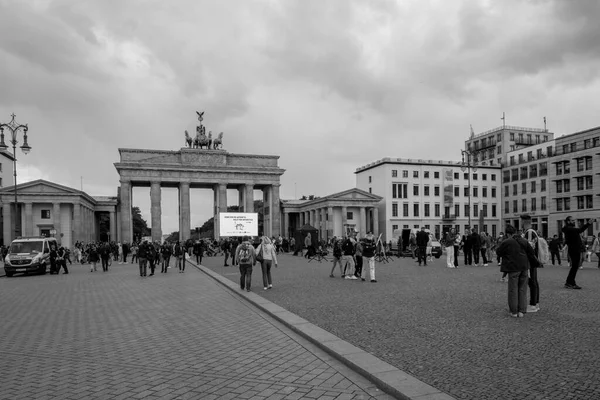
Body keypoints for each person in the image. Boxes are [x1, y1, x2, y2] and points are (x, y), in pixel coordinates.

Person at [495, 224, 529, 318]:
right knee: (522, 289)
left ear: (508, 234)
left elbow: (499, 252)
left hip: (513, 267)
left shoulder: (507, 241)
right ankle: (522, 311)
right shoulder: (524, 240)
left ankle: (514, 311)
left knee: (513, 289)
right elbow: (531, 252)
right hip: (524, 266)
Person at [562, 217, 594, 289]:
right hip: (574, 249)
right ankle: (571, 283)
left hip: (574, 249)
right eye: (572, 220)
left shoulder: (568, 229)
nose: (574, 221)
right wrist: (588, 223)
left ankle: (569, 282)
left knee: (575, 267)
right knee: (575, 266)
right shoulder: (569, 229)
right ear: (568, 221)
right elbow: (580, 230)